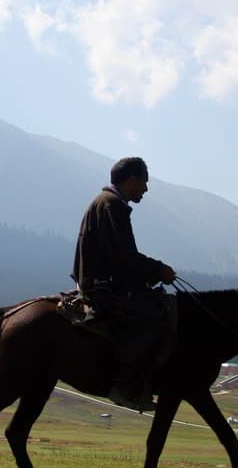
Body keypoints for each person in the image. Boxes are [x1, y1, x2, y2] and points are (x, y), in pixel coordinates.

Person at [72, 157, 176, 411]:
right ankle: (126, 385)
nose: (146, 189)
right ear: (132, 179)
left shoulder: (103, 202)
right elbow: (124, 258)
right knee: (155, 319)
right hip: (106, 286)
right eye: (144, 182)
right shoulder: (112, 206)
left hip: (96, 281)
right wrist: (158, 270)